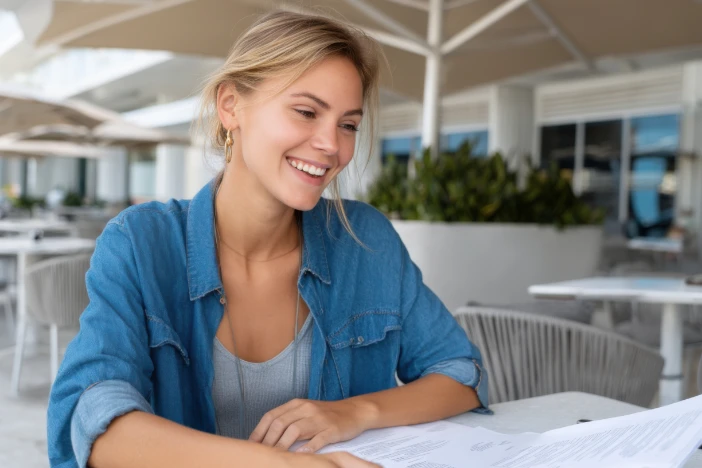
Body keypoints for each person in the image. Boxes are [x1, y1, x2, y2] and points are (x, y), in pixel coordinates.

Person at [47, 10, 489, 468]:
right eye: (306, 112)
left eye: (348, 124)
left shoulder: (364, 240)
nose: (331, 145)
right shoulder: (141, 242)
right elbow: (95, 418)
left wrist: (355, 411)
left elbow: (461, 373)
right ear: (231, 106)